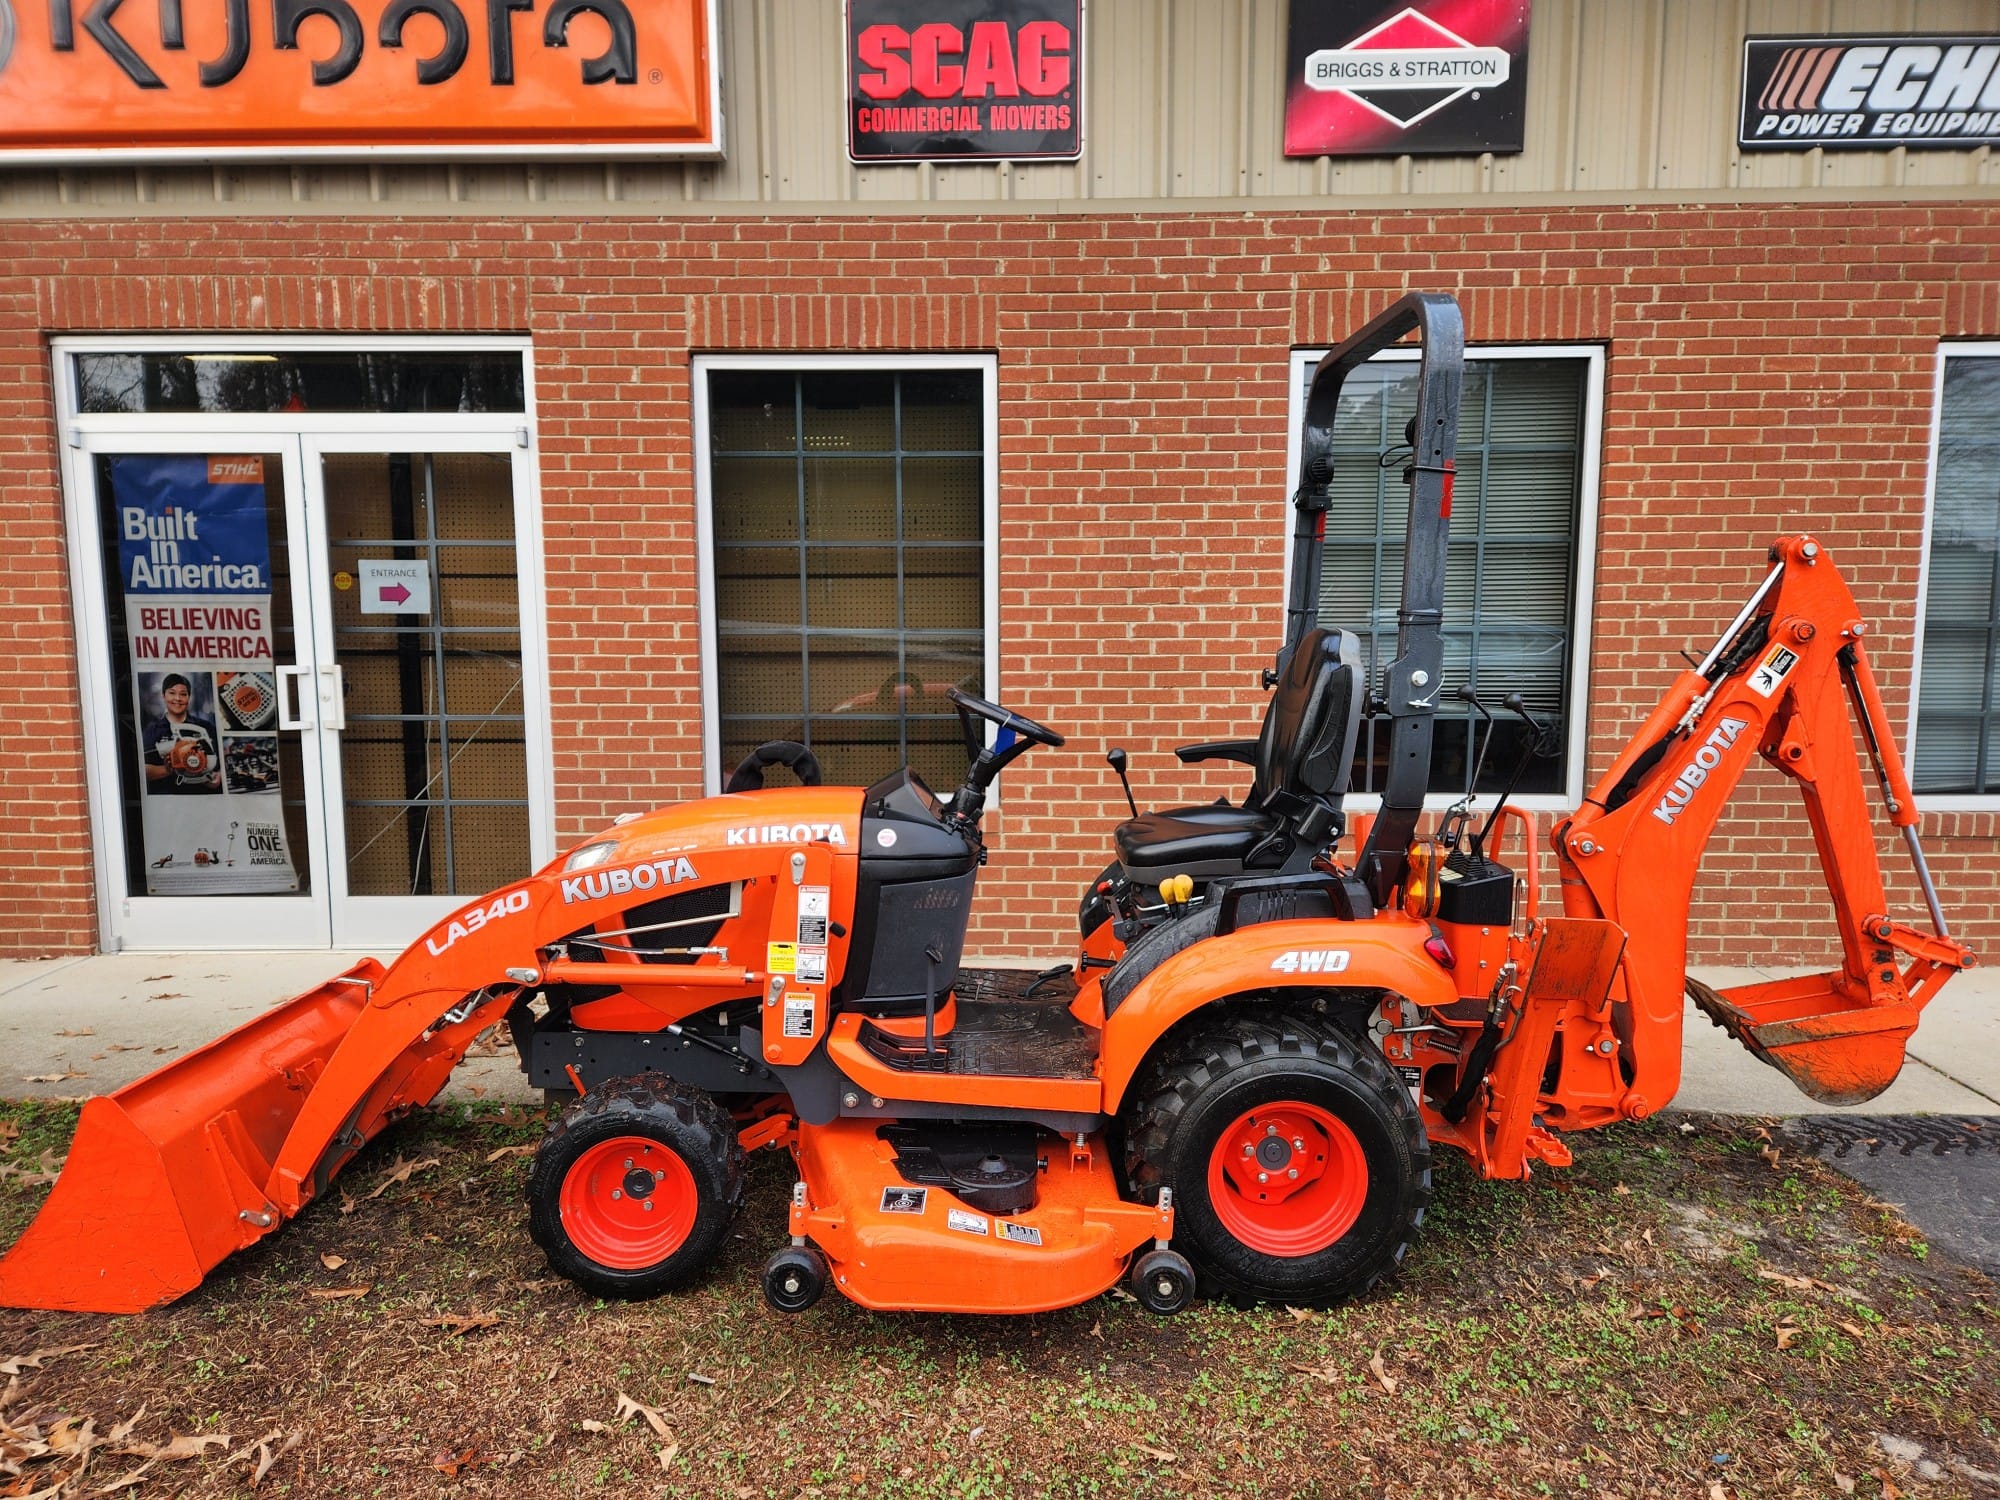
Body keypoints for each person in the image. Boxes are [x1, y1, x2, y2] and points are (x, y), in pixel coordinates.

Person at [142, 673, 222, 794]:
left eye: (183, 694)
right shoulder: (152, 731)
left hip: (204, 797)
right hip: (169, 799)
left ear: (189, 697)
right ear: (163, 696)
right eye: (172, 693)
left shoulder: (206, 727)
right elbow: (142, 770)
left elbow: (223, 760)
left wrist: (217, 778)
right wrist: (169, 769)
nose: (178, 698)